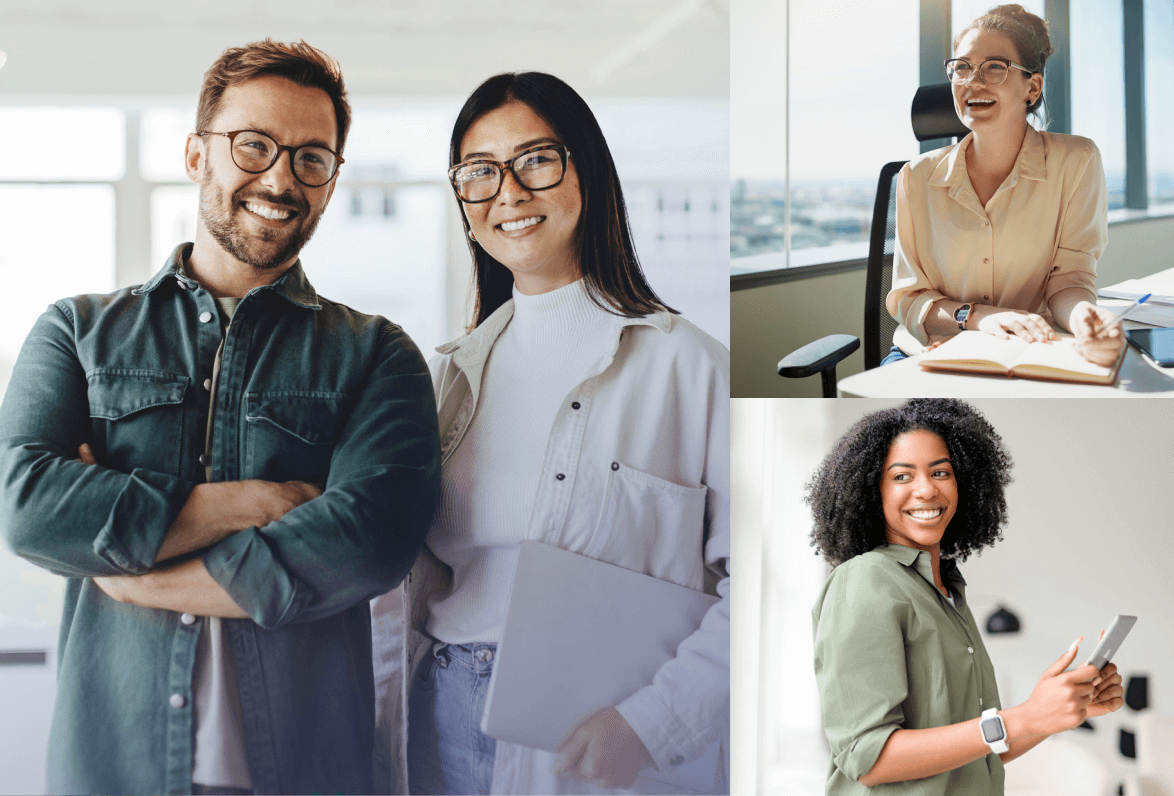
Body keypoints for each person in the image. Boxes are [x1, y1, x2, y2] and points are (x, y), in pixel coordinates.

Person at [0, 40, 440, 795]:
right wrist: (244, 506)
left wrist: (139, 576)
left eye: (312, 158)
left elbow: (372, 543)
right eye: (253, 145)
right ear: (196, 155)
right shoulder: (75, 331)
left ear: (332, 184)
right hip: (115, 771)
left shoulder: (375, 355)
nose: (280, 177)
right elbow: (27, 506)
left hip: (303, 773)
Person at [370, 71, 730, 795]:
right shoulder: (444, 379)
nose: (508, 192)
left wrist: (652, 723)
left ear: (586, 169)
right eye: (480, 172)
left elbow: (755, 587)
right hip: (438, 712)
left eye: (536, 159)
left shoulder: (689, 368)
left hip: (598, 731)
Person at [807, 399, 1125, 794]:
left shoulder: (946, 591)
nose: (926, 490)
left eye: (940, 472)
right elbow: (867, 756)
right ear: (872, 490)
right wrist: (1023, 717)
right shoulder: (865, 581)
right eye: (902, 477)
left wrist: (1052, 717)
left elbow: (974, 755)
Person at [884, 4, 1123, 368]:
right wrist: (979, 318)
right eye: (962, 67)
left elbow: (1069, 281)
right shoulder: (916, 177)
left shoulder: (1077, 161)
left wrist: (1084, 318)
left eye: (994, 67)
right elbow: (908, 299)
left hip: (1027, 352)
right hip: (929, 352)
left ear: (1033, 86)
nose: (972, 81)